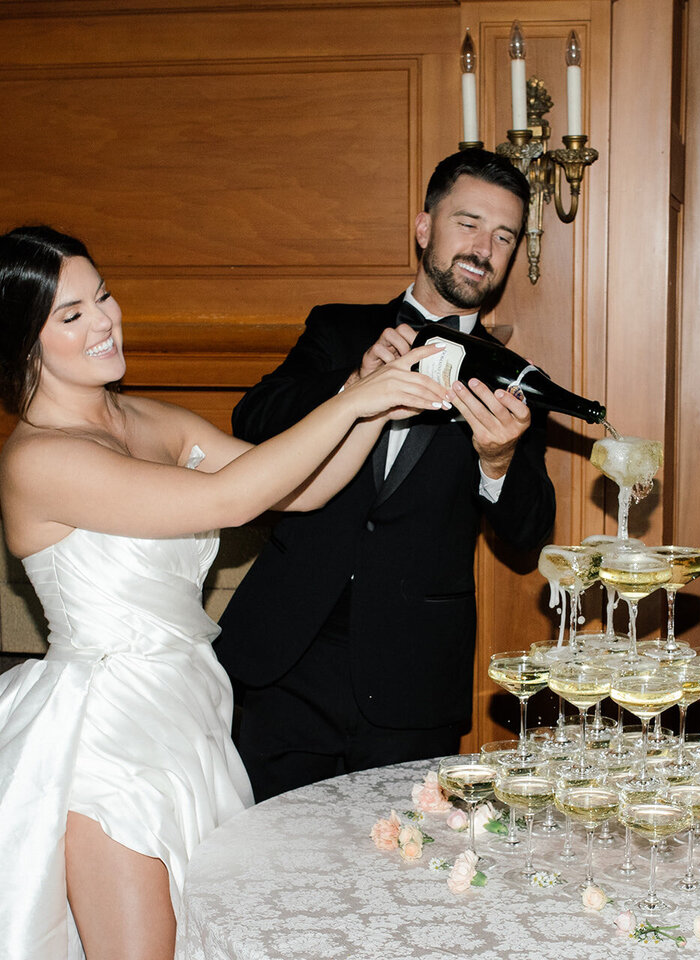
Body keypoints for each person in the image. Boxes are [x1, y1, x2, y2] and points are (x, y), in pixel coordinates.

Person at [0, 225, 452, 960]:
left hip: (187, 714)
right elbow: (230, 501)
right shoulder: (39, 459)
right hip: (104, 739)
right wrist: (352, 402)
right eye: (72, 314)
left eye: (105, 296)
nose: (105, 320)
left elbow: (300, 492)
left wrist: (367, 406)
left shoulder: (147, 418)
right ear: (25, 341)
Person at [216, 149, 557, 802]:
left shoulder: (513, 379)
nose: (484, 247)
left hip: (412, 683)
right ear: (424, 227)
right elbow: (252, 421)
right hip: (284, 665)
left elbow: (529, 535)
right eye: (468, 222)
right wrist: (353, 387)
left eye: (504, 236)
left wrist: (498, 462)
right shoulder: (339, 328)